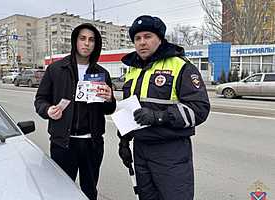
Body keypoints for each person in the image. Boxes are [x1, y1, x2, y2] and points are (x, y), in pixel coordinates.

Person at [118, 15, 210, 200]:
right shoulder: (133, 70)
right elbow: (129, 111)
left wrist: (158, 117)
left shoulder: (181, 66)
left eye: (148, 36)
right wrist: (124, 141)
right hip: (141, 149)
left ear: (160, 39)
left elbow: (199, 109)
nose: (142, 42)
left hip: (170, 152)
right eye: (137, 38)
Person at [34, 23, 116, 200]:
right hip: (63, 144)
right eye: (82, 38)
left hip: (92, 144)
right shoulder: (56, 69)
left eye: (92, 40)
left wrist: (110, 99)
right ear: (75, 41)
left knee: (89, 191)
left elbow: (108, 109)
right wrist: (48, 110)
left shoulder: (102, 73)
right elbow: (40, 100)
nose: (87, 43)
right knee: (61, 192)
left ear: (96, 44)